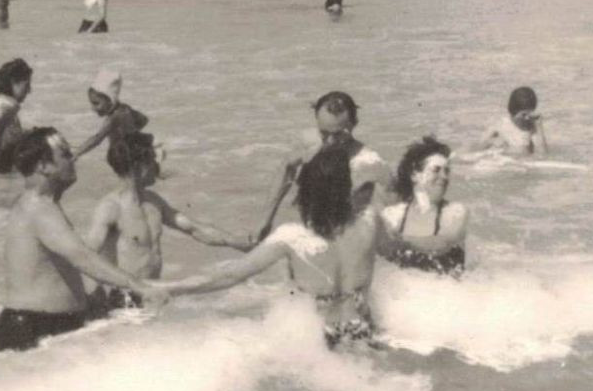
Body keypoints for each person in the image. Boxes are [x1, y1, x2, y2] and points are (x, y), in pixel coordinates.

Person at [161, 143, 411, 349]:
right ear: (346, 189)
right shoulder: (370, 222)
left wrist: (170, 288)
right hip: (364, 333)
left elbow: (230, 276)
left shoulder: (292, 237)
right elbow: (398, 253)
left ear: (308, 192)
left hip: (318, 344)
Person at [0, 127, 165, 352]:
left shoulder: (45, 205)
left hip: (51, 326)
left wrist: (87, 300)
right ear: (43, 166)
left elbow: (58, 268)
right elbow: (82, 257)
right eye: (64, 154)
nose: (73, 158)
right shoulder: (38, 207)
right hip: (30, 329)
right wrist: (139, 286)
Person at [84, 131, 250, 309]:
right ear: (140, 166)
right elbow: (86, 256)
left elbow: (194, 229)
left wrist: (236, 242)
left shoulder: (153, 202)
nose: (157, 166)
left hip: (153, 295)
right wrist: (94, 296)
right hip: (124, 299)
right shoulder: (111, 208)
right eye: (153, 161)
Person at [254, 91, 389, 241]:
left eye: (338, 134)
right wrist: (265, 220)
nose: (330, 141)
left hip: (345, 236)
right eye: (323, 133)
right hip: (308, 223)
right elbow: (287, 169)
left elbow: (392, 209)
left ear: (354, 123)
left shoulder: (368, 162)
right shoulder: (308, 142)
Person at [382, 136, 468, 276]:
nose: (444, 176)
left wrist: (398, 240)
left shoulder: (455, 211)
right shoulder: (393, 214)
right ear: (415, 175)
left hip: (447, 294)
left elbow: (442, 244)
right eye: (436, 170)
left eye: (447, 171)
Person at [73, 68, 149, 158]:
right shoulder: (125, 109)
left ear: (110, 100)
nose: (93, 108)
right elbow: (143, 120)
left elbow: (97, 139)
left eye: (96, 103)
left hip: (133, 160)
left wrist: (77, 153)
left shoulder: (114, 117)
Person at [474, 86, 549, 156]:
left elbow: (542, 154)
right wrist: (492, 142)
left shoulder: (531, 127)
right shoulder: (500, 125)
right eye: (523, 115)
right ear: (513, 111)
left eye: (529, 114)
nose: (526, 118)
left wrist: (539, 127)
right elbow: (479, 148)